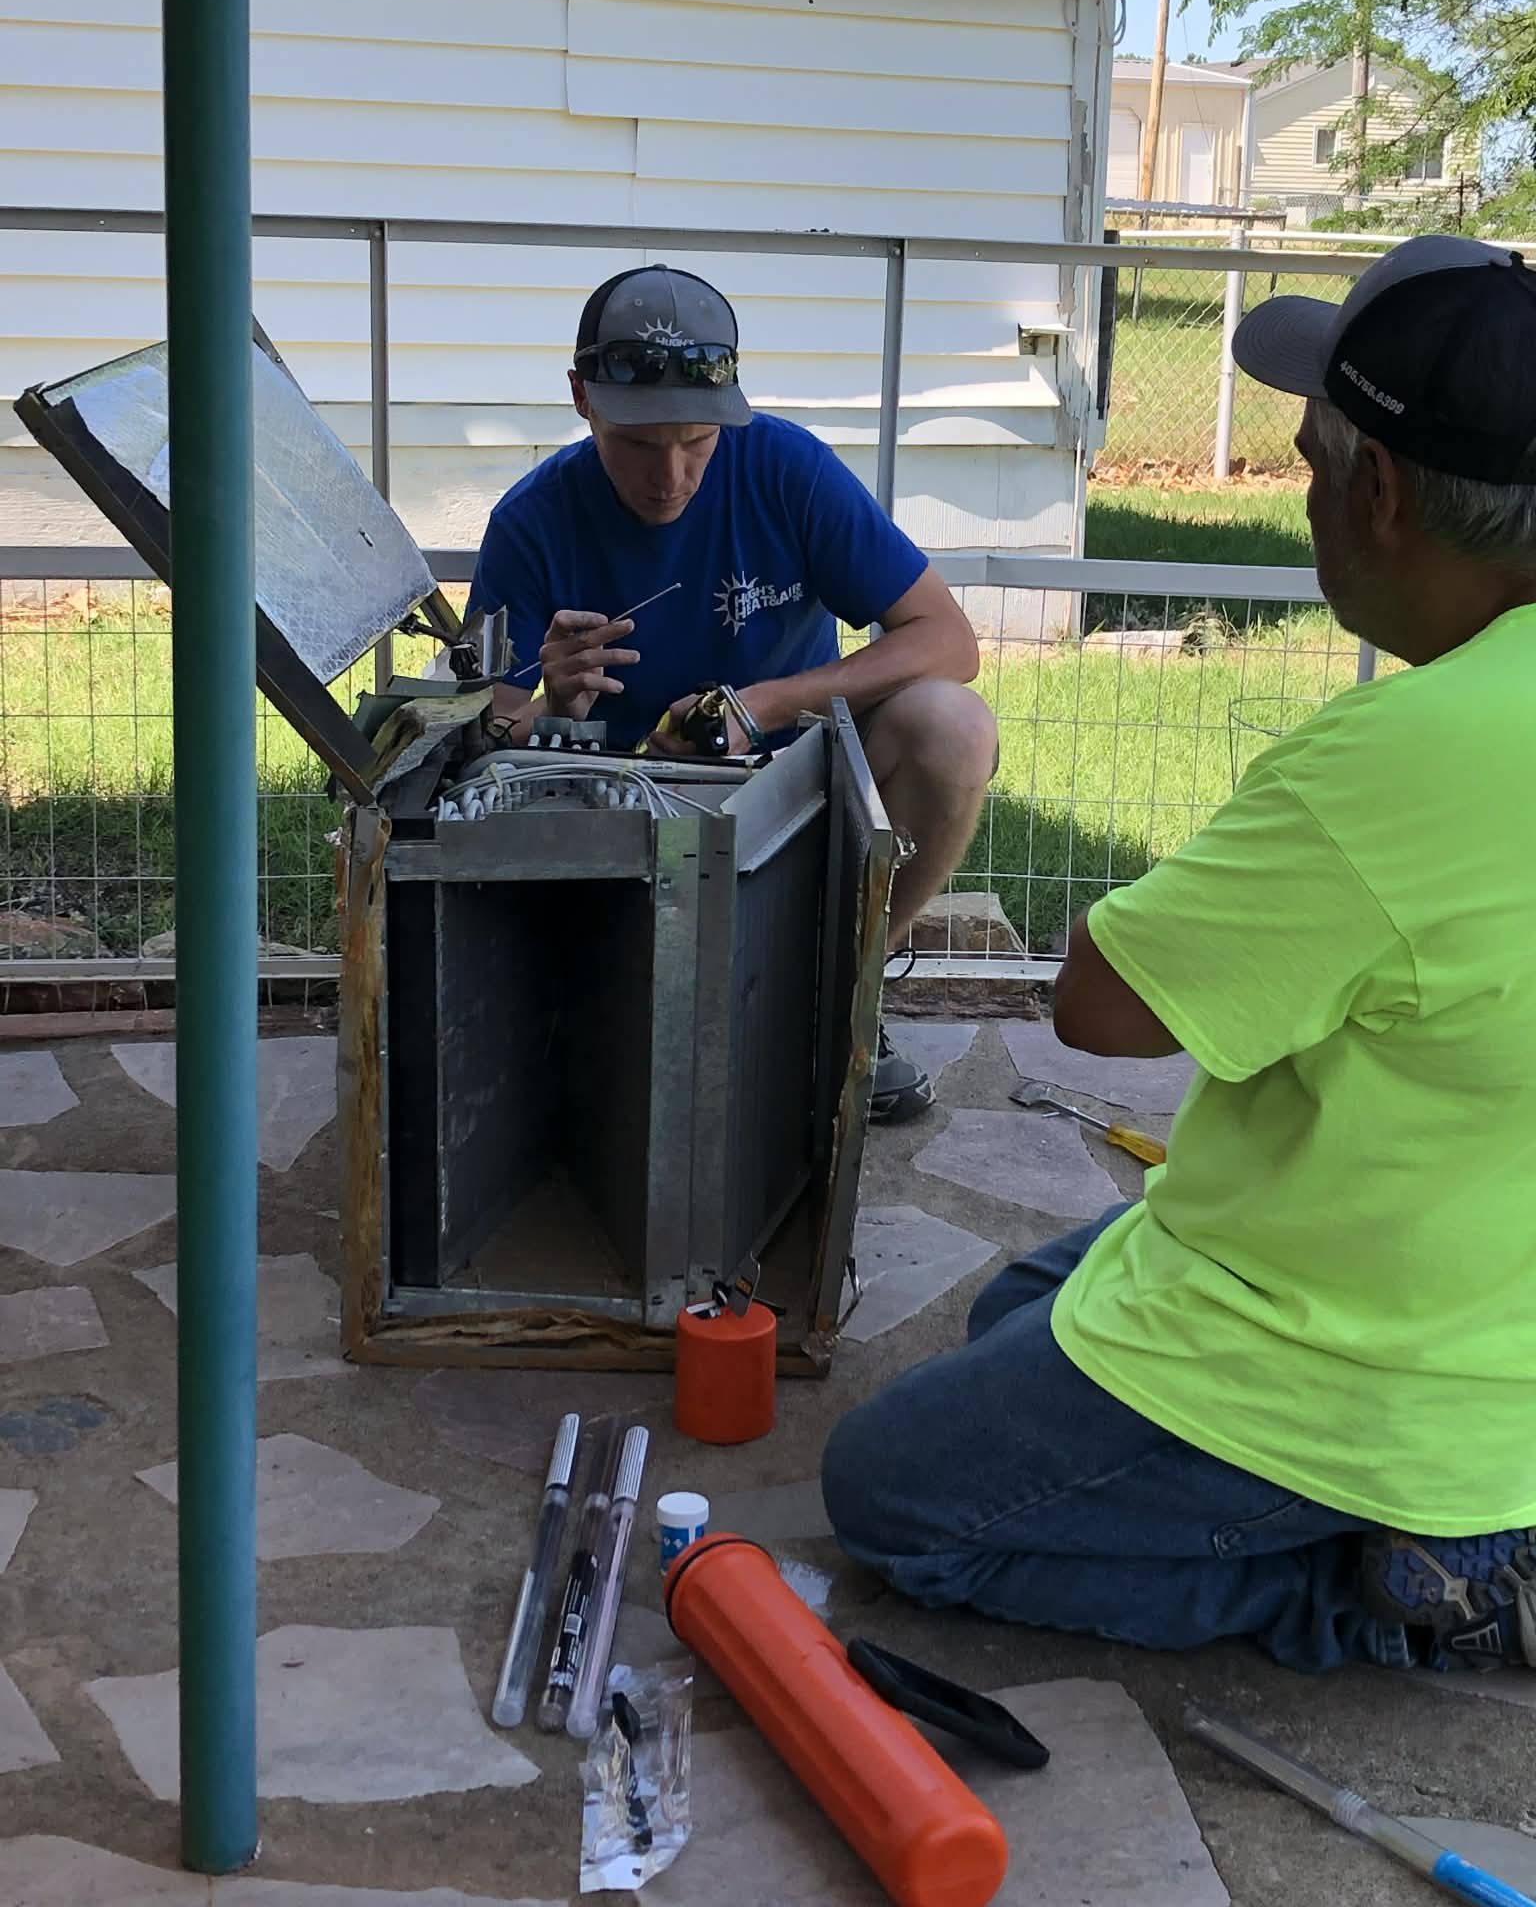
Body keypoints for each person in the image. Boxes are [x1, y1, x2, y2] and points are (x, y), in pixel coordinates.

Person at [822, 235, 1536, 1673]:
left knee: (895, 1496)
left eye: (1312, 462)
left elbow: (1099, 1003)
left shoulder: (1404, 762)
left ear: (1382, 491)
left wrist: (1246, 867)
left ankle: (1395, 1593)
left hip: (1384, 1372)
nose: (1311, 498)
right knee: (1027, 1302)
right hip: (1472, 1298)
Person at [469, 264, 998, 1123]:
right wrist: (553, 709)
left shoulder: (787, 470)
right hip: (624, 824)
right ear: (582, 399)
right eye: (639, 445)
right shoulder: (530, 523)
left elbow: (949, 639)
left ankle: (845, 991)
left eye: (698, 442)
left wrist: (764, 705)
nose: (671, 475)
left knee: (955, 727)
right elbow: (488, 731)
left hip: (794, 800)